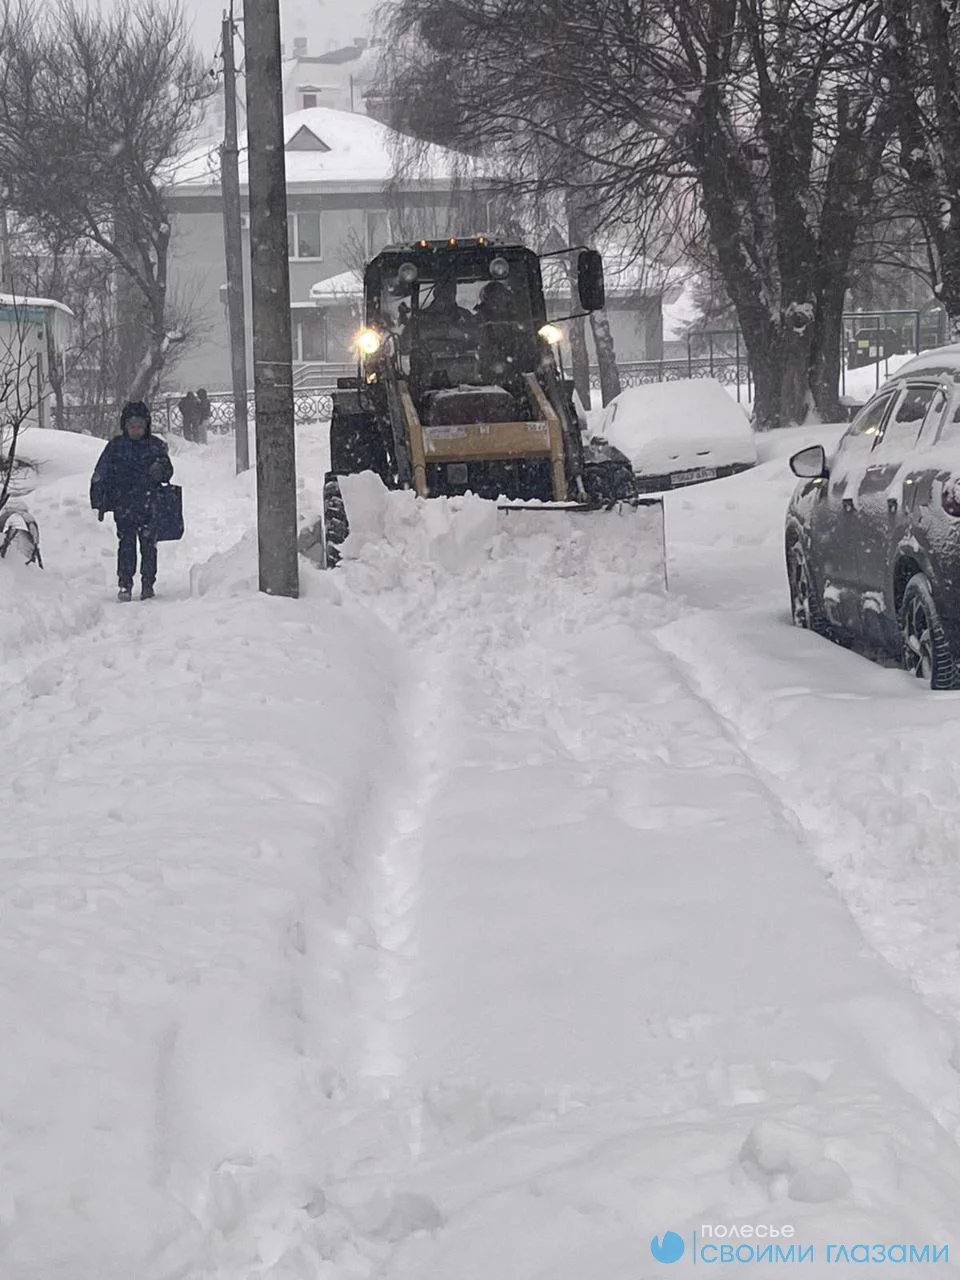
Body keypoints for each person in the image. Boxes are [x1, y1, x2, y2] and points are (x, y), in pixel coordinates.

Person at [90, 401, 174, 602]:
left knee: (148, 546)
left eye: (140, 425)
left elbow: (168, 472)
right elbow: (101, 473)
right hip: (124, 505)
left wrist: (161, 470)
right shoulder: (116, 447)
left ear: (146, 426)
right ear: (125, 426)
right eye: (132, 425)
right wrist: (98, 498)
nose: (136, 430)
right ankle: (125, 583)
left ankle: (148, 583)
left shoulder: (155, 446)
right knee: (126, 545)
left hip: (149, 504)